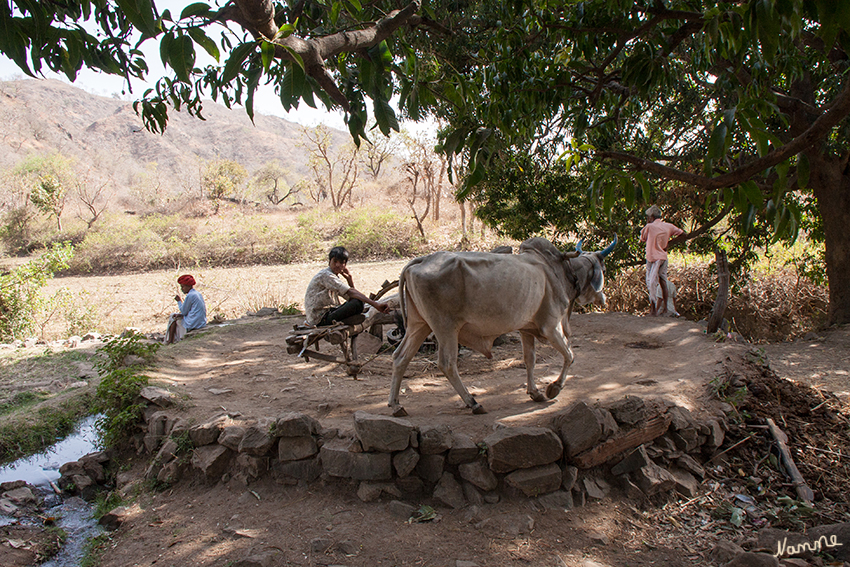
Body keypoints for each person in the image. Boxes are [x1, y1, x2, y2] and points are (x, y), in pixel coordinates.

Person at [304, 246, 390, 326]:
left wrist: (349, 279)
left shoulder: (334, 277)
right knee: (357, 303)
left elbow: (351, 297)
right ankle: (346, 320)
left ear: (345, 265)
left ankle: (347, 320)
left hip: (326, 314)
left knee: (358, 302)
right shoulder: (326, 275)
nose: (337, 265)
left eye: (341, 262)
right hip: (319, 319)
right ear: (329, 261)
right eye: (335, 261)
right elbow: (351, 293)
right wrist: (375, 304)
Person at [640, 205, 684, 316]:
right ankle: (665, 309)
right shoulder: (668, 226)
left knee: (651, 282)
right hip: (663, 257)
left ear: (651, 217)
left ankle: (653, 310)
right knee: (663, 281)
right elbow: (684, 234)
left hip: (653, 259)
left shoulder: (649, 227)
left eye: (648, 217)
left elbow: (643, 239)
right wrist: (669, 243)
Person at [165, 274, 207, 343]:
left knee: (172, 317)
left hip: (193, 323)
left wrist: (179, 301)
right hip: (201, 322)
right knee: (176, 316)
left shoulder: (190, 295)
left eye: (183, 287)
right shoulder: (197, 294)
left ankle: (170, 340)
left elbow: (183, 311)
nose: (182, 289)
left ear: (189, 286)